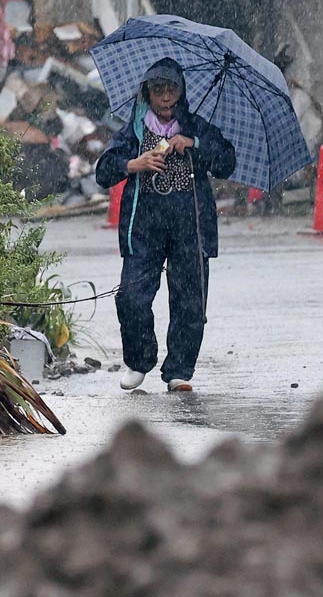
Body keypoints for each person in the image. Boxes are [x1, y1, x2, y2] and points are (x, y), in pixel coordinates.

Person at [95, 58, 236, 392]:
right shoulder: (134, 130)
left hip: (190, 225)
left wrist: (194, 145)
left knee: (190, 300)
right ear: (148, 94)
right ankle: (139, 360)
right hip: (145, 226)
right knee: (132, 296)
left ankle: (179, 370)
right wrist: (135, 163)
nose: (166, 98)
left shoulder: (195, 126)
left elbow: (226, 161)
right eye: (159, 90)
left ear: (181, 92)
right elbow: (104, 171)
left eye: (171, 89)